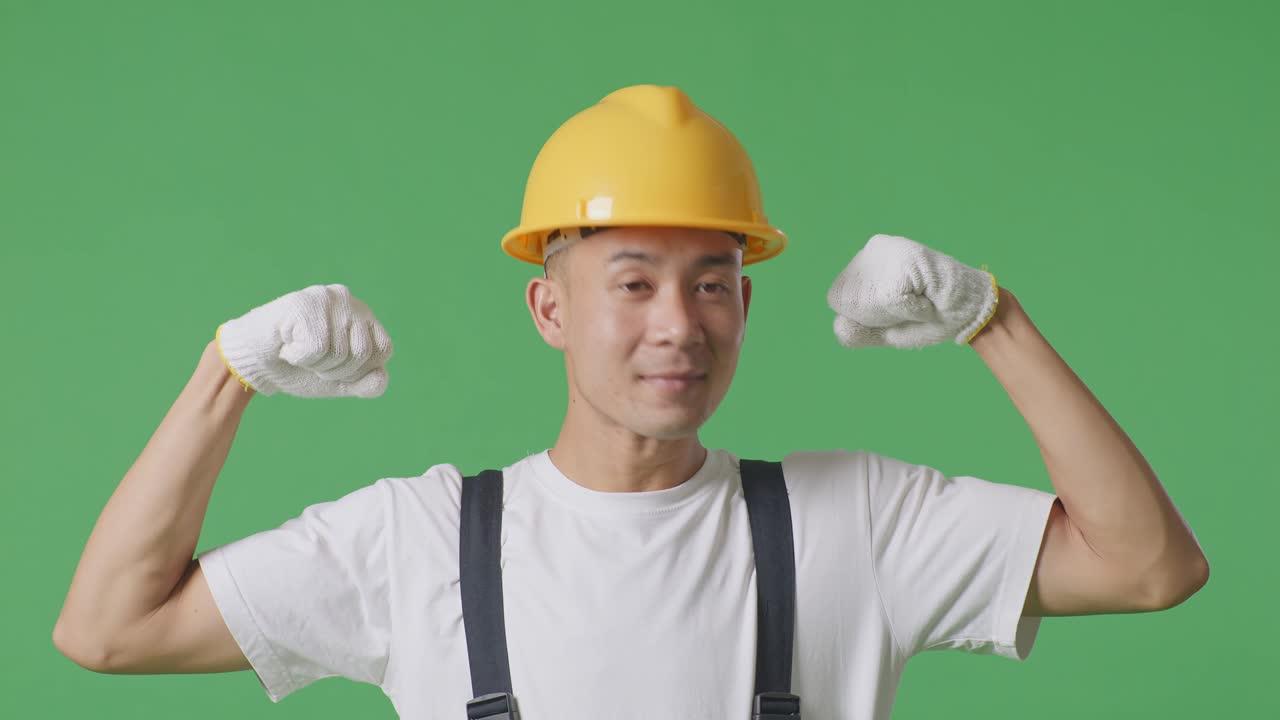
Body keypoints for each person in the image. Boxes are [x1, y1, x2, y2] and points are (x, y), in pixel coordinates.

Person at [53, 85, 1209, 719]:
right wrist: (227, 375)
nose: (678, 323)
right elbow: (107, 630)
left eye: (712, 284)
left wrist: (990, 322)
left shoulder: (852, 521)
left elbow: (1147, 567)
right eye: (633, 283)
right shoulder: (417, 544)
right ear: (547, 310)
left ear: (744, 310)